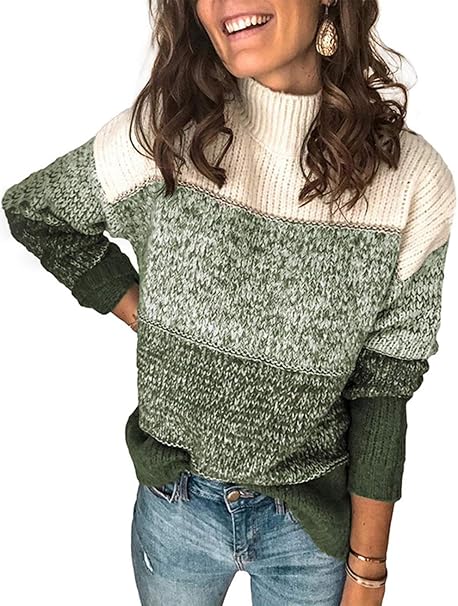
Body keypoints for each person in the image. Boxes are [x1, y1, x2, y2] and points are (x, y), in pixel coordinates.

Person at [2, 1, 455, 605]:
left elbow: (385, 387)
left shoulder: (411, 180)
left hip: (309, 528)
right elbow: (38, 211)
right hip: (175, 508)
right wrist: (144, 312)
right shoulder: (166, 133)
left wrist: (369, 572)